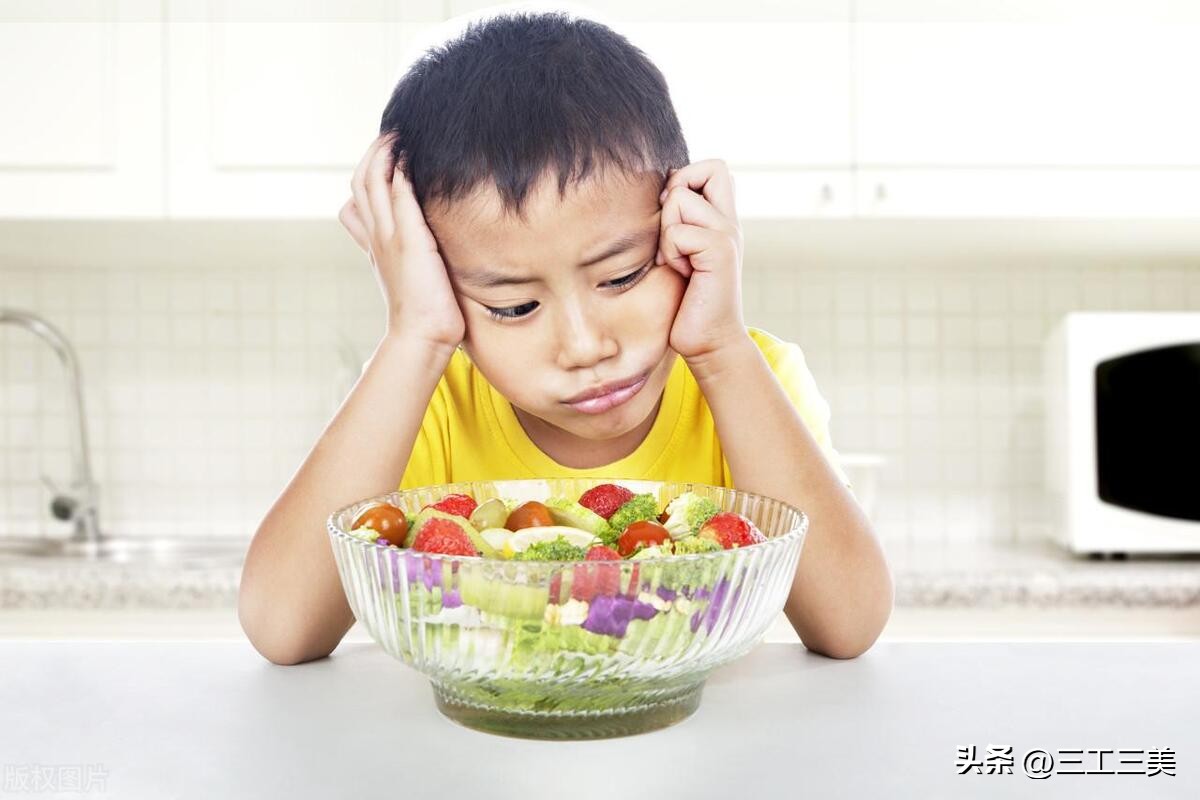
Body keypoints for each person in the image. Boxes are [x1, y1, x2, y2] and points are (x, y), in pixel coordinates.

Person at [239, 8, 892, 666]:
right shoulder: (428, 400)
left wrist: (722, 352)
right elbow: (282, 628)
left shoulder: (752, 374)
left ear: (685, 219)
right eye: (514, 306)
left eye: (622, 276)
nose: (584, 348)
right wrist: (415, 337)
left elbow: (850, 623)